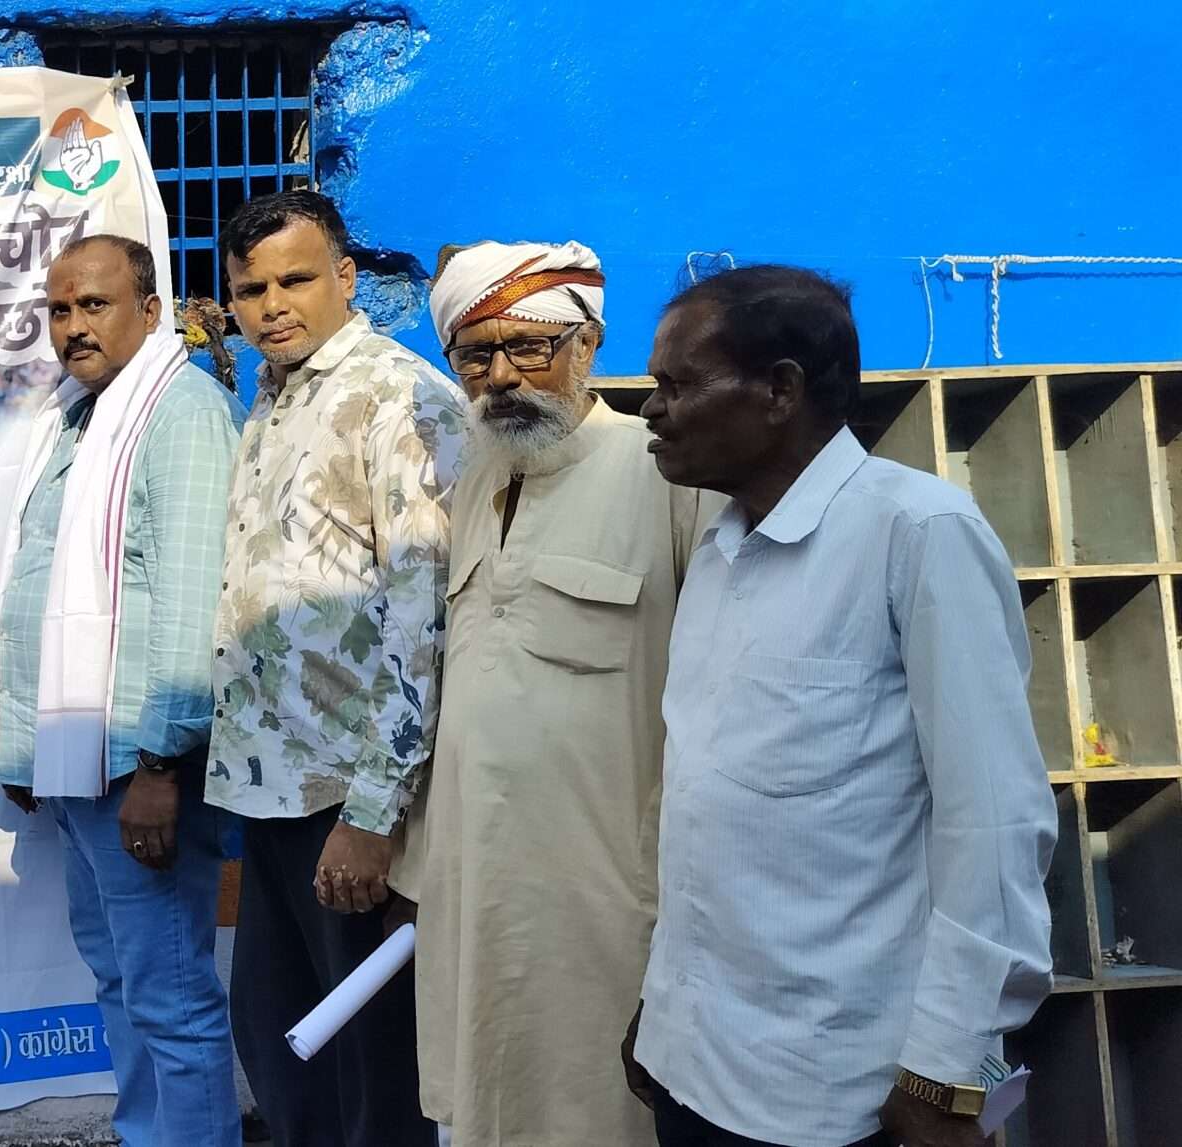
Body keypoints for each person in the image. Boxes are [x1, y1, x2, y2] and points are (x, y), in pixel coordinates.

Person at [622, 265, 1055, 1147]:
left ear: (779, 391)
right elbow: (706, 812)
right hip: (691, 1064)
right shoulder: (720, 550)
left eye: (678, 384)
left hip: (833, 1091)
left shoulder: (920, 533)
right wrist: (661, 1006)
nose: (651, 409)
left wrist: (945, 1073)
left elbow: (995, 825)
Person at [387, 241, 707, 1147]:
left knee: (600, 1112)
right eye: (474, 355)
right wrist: (420, 867)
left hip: (607, 899)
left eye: (529, 347)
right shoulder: (480, 479)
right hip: (473, 892)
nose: (500, 377)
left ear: (587, 344)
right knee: (483, 1106)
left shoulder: (664, 474)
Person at [0, 235, 245, 1147]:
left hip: (139, 768)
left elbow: (192, 602)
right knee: (121, 983)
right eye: (60, 309)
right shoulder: (74, 418)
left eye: (95, 304)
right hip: (78, 766)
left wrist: (161, 768)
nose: (74, 326)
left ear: (150, 310)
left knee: (171, 996)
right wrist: (24, 750)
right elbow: (40, 586)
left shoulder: (181, 413)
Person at [206, 189, 461, 1147]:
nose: (273, 305)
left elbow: (426, 620)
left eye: (297, 279)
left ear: (347, 277)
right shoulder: (271, 395)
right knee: (286, 1057)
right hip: (270, 787)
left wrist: (372, 815)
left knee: (373, 1076)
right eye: (251, 289)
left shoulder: (399, 397)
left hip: (349, 802)